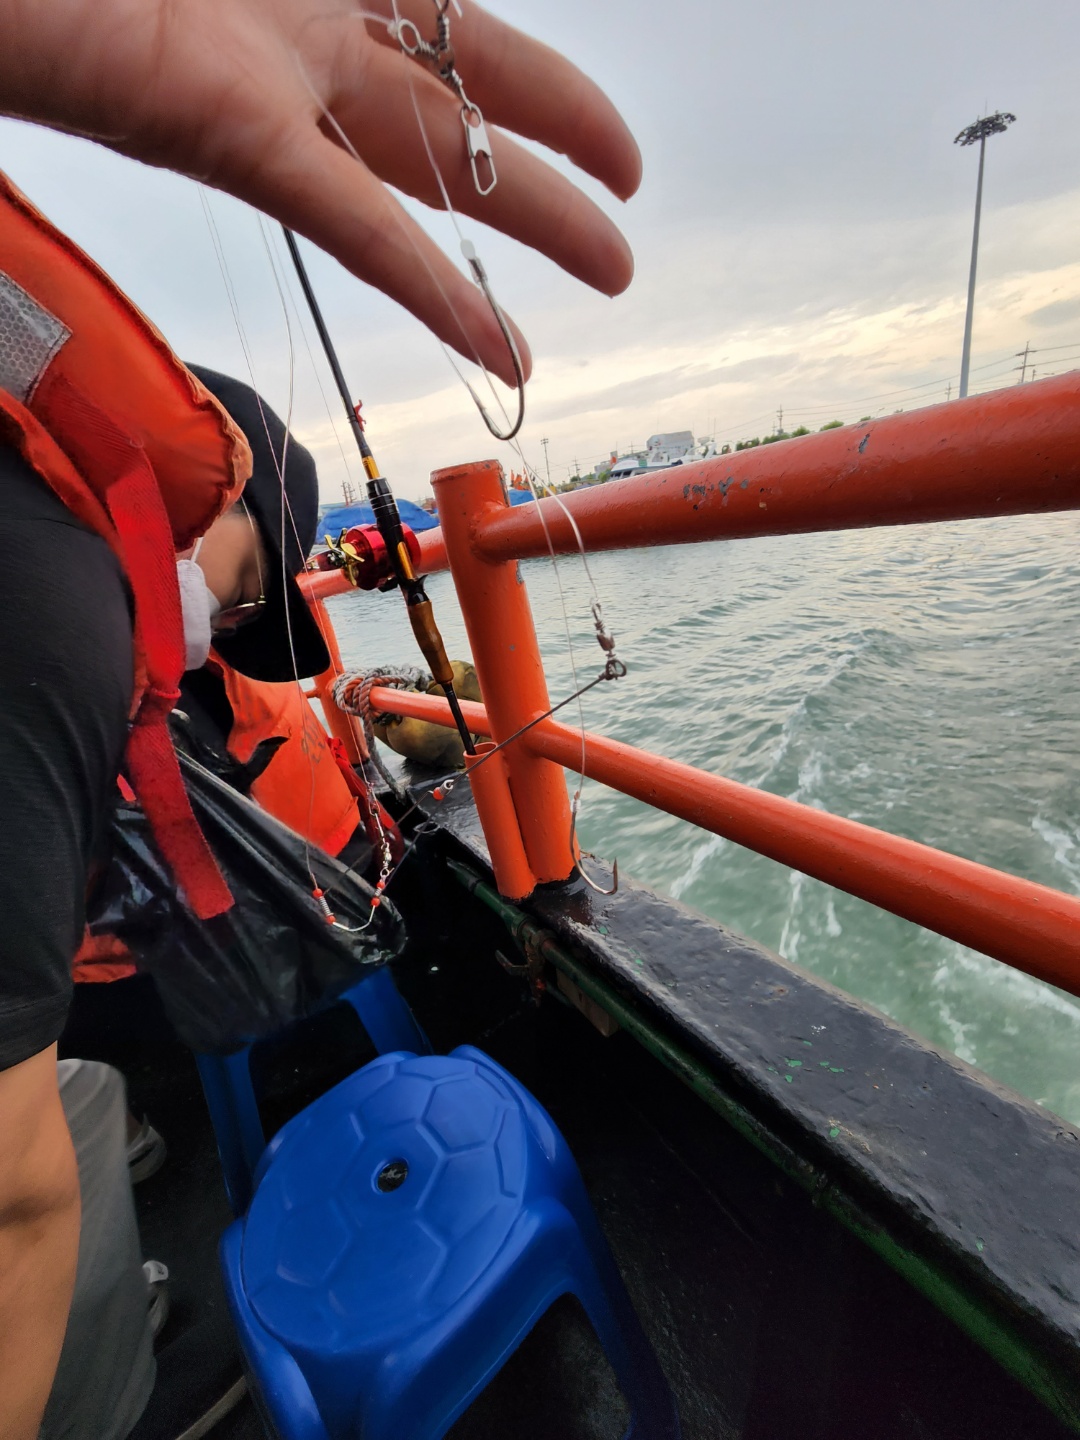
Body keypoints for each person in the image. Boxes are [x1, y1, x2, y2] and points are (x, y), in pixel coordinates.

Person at [0, 4, 640, 1436]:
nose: (223, 625)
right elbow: (18, 1201)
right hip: (226, 958)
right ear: (195, 500)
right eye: (242, 586)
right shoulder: (54, 617)